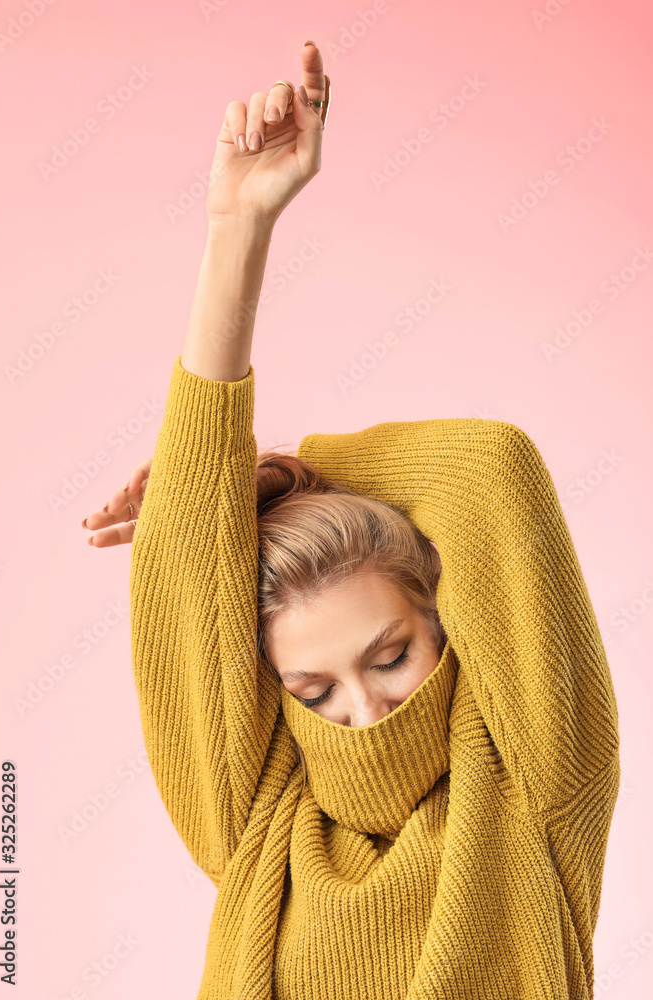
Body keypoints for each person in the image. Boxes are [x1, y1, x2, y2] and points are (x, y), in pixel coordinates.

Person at [81, 41, 621, 1000]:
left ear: (444, 621)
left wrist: (278, 474)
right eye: (314, 691)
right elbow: (180, 592)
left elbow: (491, 469)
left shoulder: (538, 780)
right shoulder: (259, 825)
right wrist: (236, 224)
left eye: (390, 659)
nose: (364, 716)